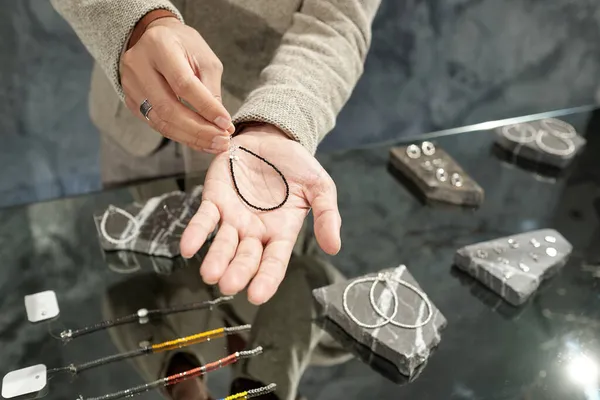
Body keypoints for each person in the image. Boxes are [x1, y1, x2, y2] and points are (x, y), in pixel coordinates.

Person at [50, 0, 381, 306]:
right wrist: (136, 22)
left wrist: (278, 123)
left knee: (241, 285)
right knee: (137, 282)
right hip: (131, 123)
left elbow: (337, 22)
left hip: (254, 136)